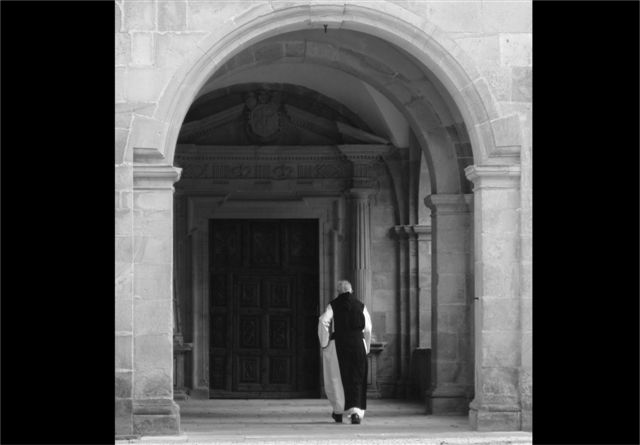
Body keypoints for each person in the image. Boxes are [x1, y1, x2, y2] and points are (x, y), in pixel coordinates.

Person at [318, 280, 372, 424]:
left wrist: (324, 343)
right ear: (352, 290)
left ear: (338, 291)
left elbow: (323, 321)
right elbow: (368, 328)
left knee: (337, 378)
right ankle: (356, 413)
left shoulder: (333, 305)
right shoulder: (361, 305)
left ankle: (338, 411)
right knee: (357, 377)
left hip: (338, 344)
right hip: (357, 344)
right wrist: (366, 345)